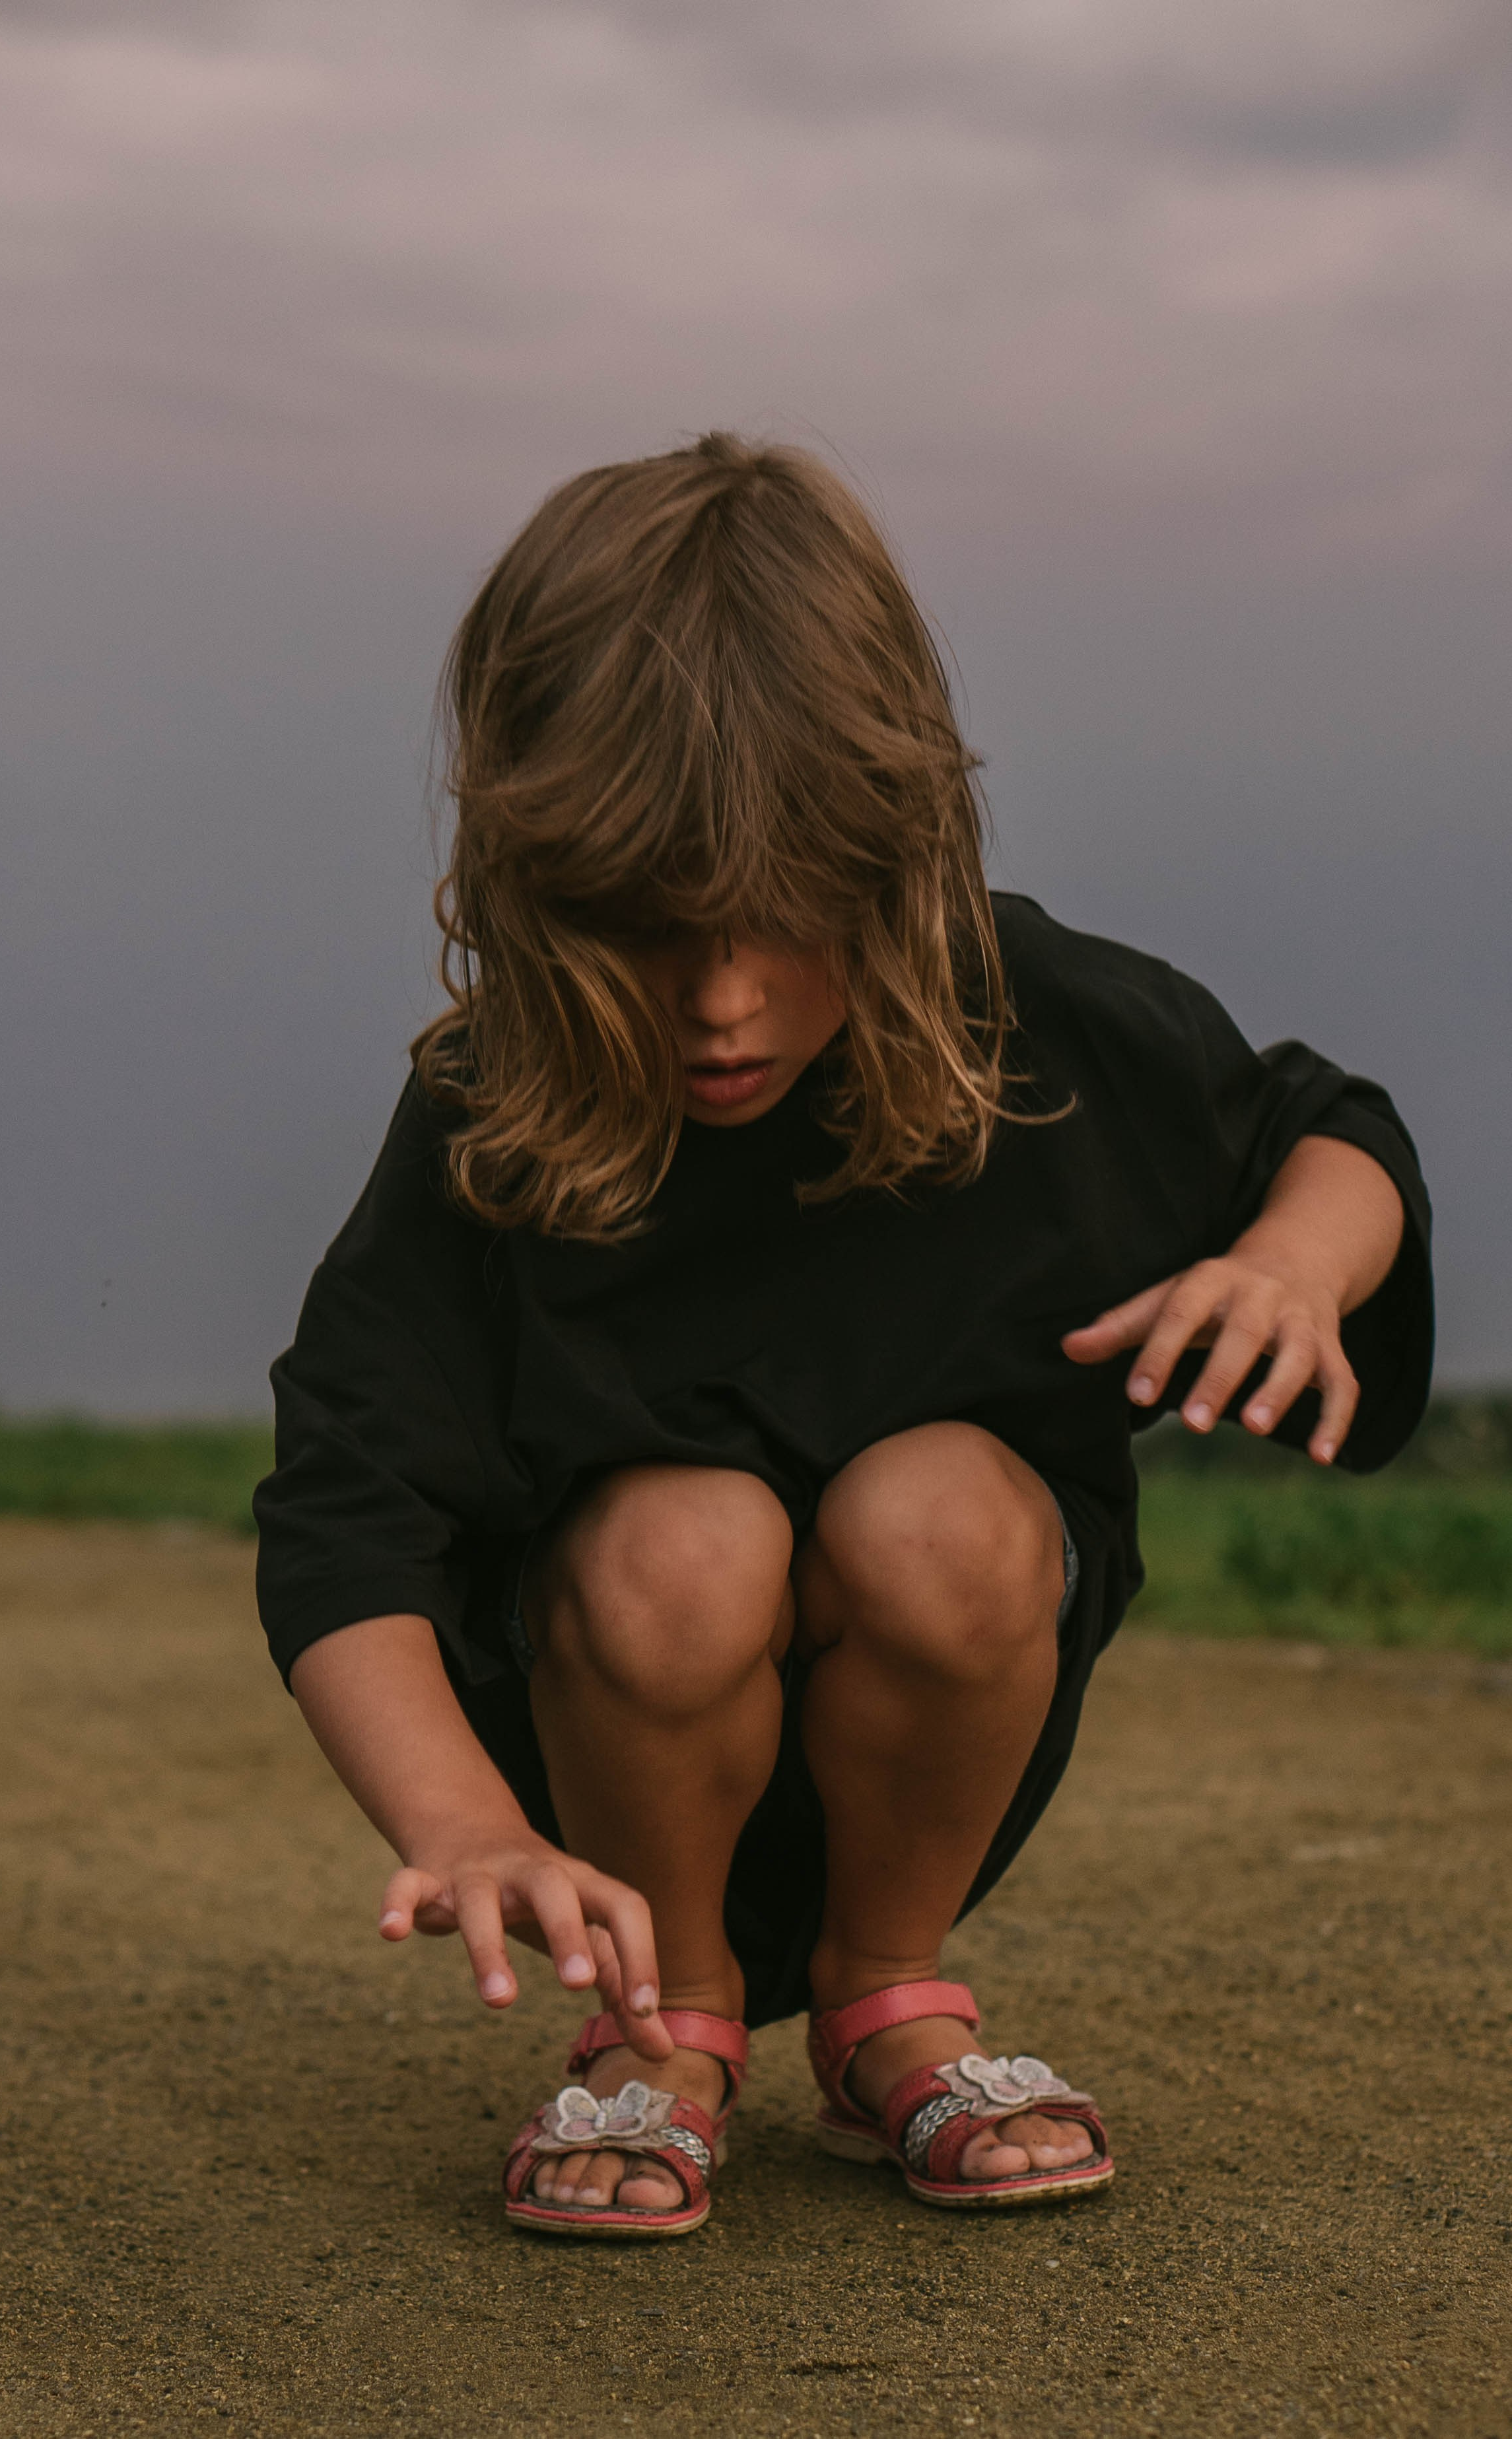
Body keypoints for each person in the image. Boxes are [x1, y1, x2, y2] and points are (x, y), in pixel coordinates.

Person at [255, 434, 1431, 2240]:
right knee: (680, 1538)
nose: (722, 1005)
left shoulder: (1033, 1019)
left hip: (947, 1682)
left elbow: (1331, 1129)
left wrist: (1289, 1265)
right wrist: (466, 1826)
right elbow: (343, 1523)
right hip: (610, 1721)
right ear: (535, 883)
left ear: (901, 852)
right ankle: (667, 2031)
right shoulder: (497, 1112)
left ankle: (894, 1997)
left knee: (945, 1506)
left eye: (786, 919)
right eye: (648, 932)